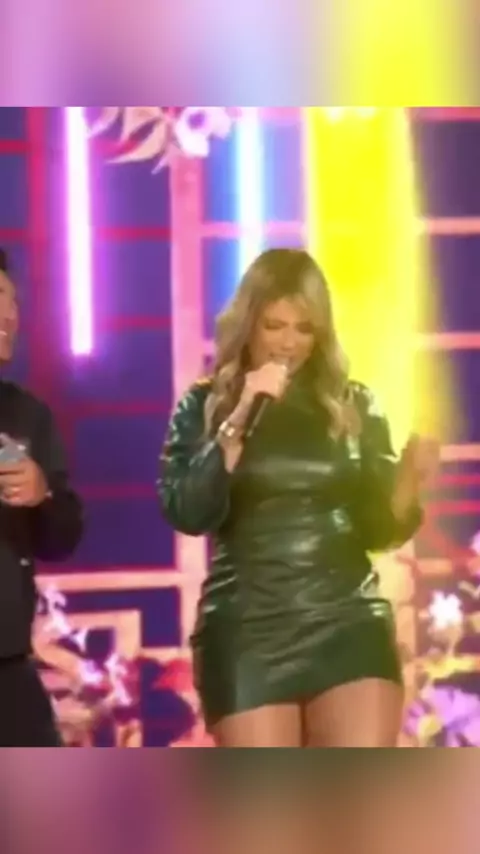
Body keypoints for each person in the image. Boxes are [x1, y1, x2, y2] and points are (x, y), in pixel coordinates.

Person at [158, 248, 438, 747]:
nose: (289, 343)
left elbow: (379, 530)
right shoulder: (205, 404)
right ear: (249, 324)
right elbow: (187, 511)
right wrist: (241, 414)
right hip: (248, 629)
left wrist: (410, 479)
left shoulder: (351, 403)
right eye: (275, 326)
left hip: (347, 619)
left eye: (304, 329)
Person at [0, 250, 83, 746]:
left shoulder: (27, 416)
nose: (9, 315)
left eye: (13, 302)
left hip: (9, 666)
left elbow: (65, 535)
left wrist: (42, 495)